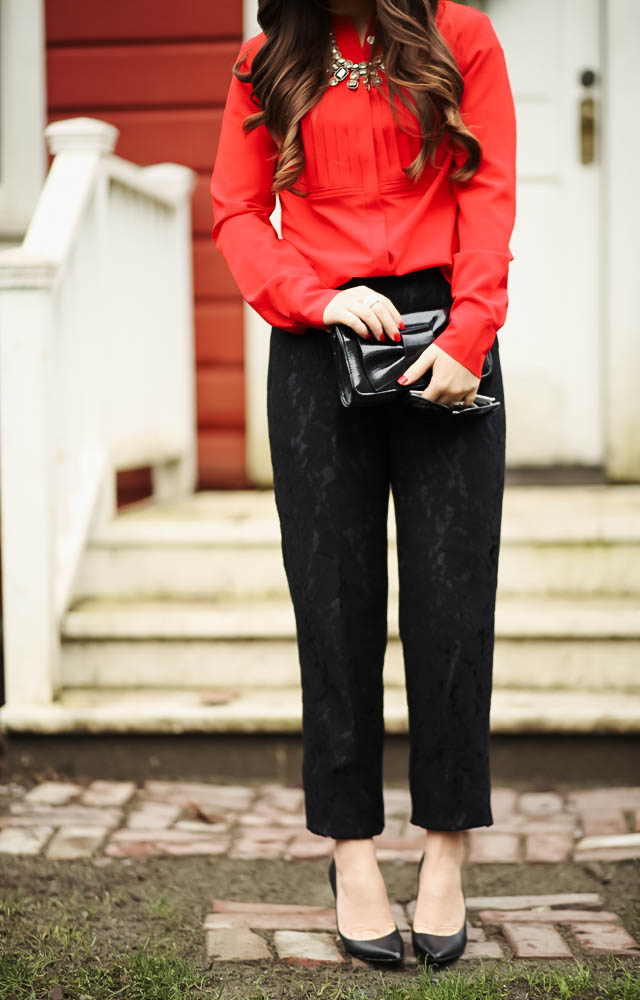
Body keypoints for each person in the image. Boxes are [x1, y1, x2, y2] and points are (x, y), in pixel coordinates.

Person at [210, 0, 517, 968]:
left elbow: (491, 187)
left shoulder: (460, 38)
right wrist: (313, 297)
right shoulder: (267, 59)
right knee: (334, 611)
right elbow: (234, 211)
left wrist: (470, 335)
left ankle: (443, 855)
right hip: (317, 343)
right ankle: (350, 854)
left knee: (450, 607)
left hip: (447, 346)